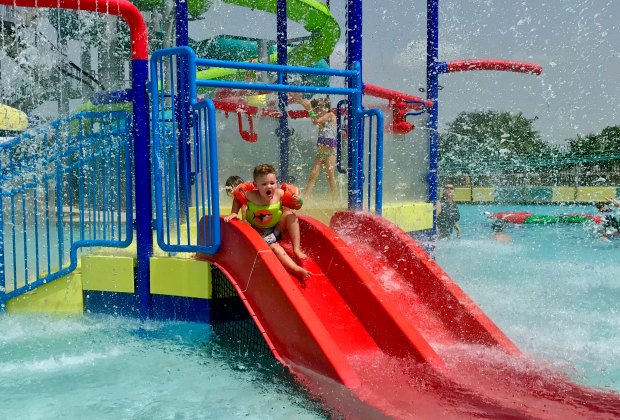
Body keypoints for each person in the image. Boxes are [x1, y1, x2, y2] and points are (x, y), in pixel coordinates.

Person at [224, 164, 311, 280]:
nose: (268, 186)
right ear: (255, 185)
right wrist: (234, 212)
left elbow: (296, 205)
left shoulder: (280, 194)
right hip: (260, 234)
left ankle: (296, 249)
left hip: (277, 229)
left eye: (272, 183)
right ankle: (295, 269)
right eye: (264, 184)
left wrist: (299, 201)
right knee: (276, 248)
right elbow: (237, 199)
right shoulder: (249, 196)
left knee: (291, 216)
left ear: (276, 182)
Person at [289, 93, 338, 200]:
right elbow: (313, 118)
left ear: (325, 109)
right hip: (321, 152)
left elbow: (315, 120)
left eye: (317, 111)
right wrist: (300, 100)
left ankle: (336, 199)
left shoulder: (330, 115)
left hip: (330, 152)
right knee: (313, 175)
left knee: (330, 176)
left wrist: (310, 109)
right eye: (315, 111)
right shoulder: (322, 119)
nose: (316, 113)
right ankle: (305, 199)